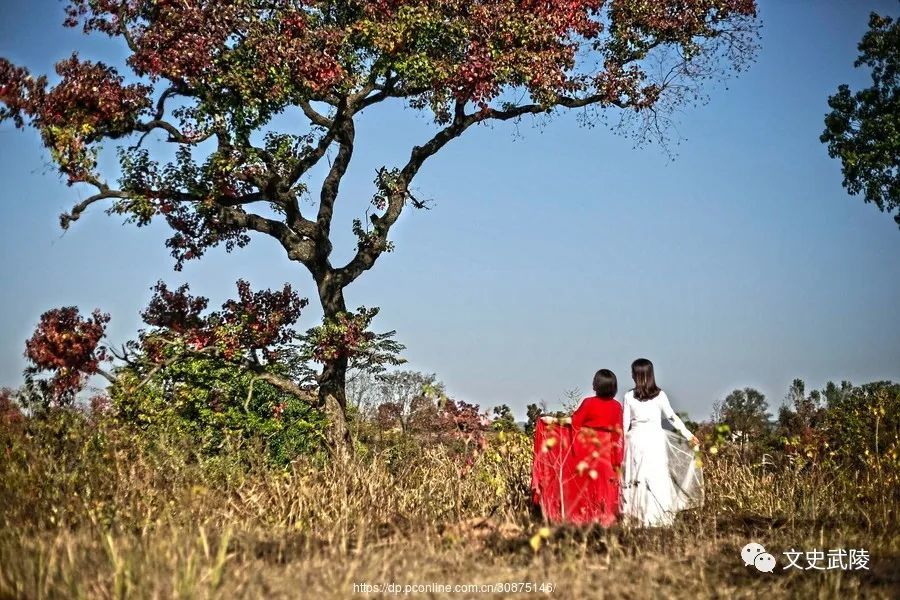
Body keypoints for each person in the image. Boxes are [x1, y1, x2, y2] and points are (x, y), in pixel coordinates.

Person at [530, 369, 623, 526]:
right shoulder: (617, 406)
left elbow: (573, 422)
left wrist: (551, 421)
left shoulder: (589, 402)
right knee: (604, 488)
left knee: (581, 486)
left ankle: (582, 519)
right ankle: (604, 521)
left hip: (587, 450)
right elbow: (618, 431)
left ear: (598, 385)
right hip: (606, 453)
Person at [621, 358, 703, 527]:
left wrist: (620, 445)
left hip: (635, 440)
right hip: (654, 440)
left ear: (637, 375)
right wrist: (688, 435)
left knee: (637, 476)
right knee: (657, 476)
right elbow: (672, 417)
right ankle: (657, 516)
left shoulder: (629, 396)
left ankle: (637, 516)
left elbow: (624, 424)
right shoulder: (660, 395)